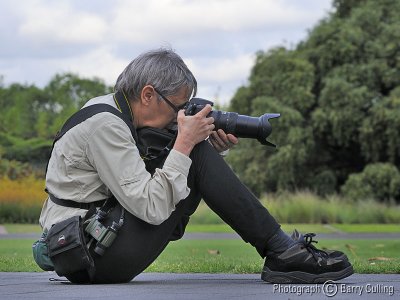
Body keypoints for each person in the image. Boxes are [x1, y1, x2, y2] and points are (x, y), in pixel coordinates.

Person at [34, 48, 353, 284]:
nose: (180, 116)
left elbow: (141, 174)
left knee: (195, 150)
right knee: (193, 151)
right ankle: (282, 252)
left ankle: (282, 250)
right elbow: (152, 208)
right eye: (178, 107)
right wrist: (187, 144)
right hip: (91, 255)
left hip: (94, 241)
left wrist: (205, 150)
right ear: (148, 94)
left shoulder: (110, 111)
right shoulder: (106, 126)